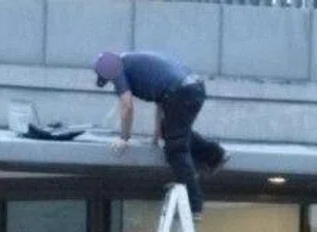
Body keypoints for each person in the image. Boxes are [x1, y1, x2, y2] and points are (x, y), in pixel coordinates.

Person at [93, 51, 229, 220]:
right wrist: (158, 134)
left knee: (175, 149)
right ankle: (215, 155)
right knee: (177, 133)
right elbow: (162, 101)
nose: (113, 82)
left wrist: (124, 137)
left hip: (181, 92)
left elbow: (127, 105)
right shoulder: (138, 63)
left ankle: (194, 206)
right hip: (194, 88)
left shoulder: (118, 69)